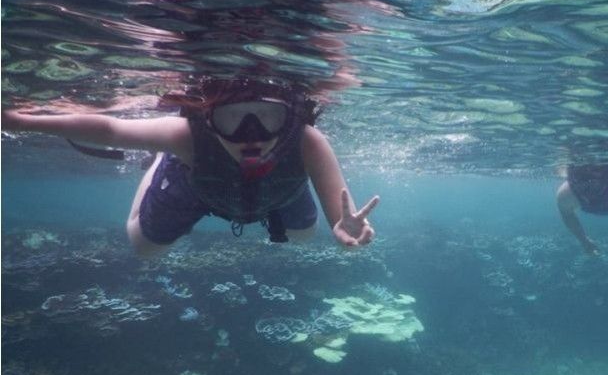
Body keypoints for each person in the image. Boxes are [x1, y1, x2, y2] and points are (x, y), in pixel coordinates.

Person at [2, 76, 379, 258]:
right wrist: (24, 122)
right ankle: (158, 165)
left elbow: (339, 219)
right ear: (210, 120)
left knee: (303, 237)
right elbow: (110, 128)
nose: (253, 134)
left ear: (290, 118)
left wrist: (342, 229)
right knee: (144, 248)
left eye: (268, 117)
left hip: (276, 192)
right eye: (234, 119)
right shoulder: (187, 135)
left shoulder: (307, 140)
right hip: (198, 184)